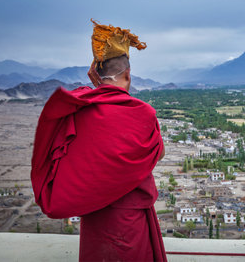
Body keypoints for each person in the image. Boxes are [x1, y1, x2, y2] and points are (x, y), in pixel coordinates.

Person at [31, 20, 167, 261]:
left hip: (95, 216)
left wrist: (100, 92)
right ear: (128, 74)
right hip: (130, 217)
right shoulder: (142, 113)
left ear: (96, 75)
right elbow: (159, 153)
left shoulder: (79, 110)